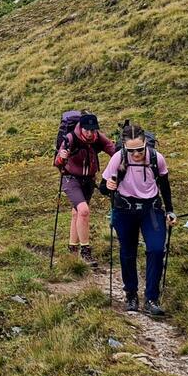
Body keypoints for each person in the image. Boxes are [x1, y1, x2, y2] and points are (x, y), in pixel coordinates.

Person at [100, 120, 175, 316]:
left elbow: (165, 186)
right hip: (125, 210)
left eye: (140, 149)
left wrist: (170, 210)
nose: (136, 154)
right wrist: (108, 186)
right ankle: (131, 295)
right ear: (124, 147)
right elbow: (102, 187)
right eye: (131, 151)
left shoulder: (156, 158)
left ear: (146, 144)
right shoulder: (118, 158)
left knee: (157, 250)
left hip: (151, 209)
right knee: (127, 252)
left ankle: (151, 299)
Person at [54, 113, 116, 264]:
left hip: (89, 180)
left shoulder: (98, 138)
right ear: (81, 128)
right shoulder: (70, 138)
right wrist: (62, 156)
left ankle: (72, 249)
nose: (90, 133)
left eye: (93, 130)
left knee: (77, 213)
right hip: (71, 179)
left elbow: (114, 152)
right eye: (87, 130)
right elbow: (57, 162)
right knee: (83, 211)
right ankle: (85, 252)